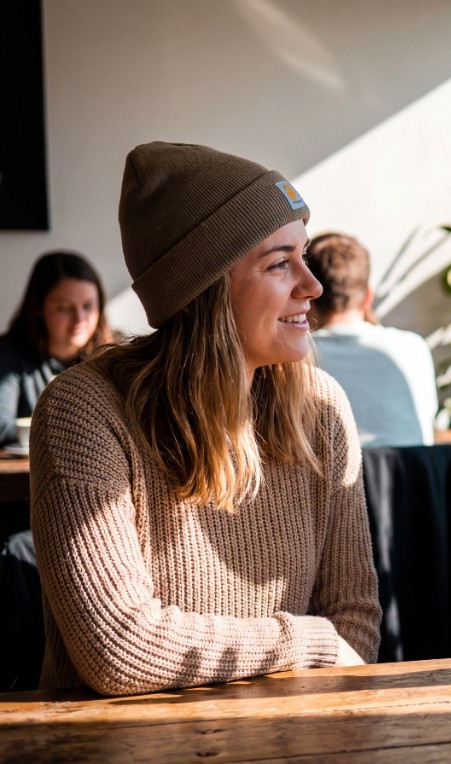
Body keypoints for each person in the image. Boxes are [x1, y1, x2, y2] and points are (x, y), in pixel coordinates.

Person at [30, 142, 382, 696]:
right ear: (203, 291)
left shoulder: (321, 407)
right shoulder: (84, 411)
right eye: (279, 263)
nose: (312, 286)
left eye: (305, 255)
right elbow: (119, 646)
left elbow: (356, 628)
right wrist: (305, 644)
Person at [306, 232, 438, 448]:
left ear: (308, 298)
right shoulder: (414, 347)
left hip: (339, 479)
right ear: (369, 296)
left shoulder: (297, 360)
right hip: (415, 479)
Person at [0, 251, 112, 446]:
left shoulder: (112, 355)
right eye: (64, 308)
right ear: (38, 308)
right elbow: (2, 427)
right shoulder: (7, 353)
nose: (80, 319)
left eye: (88, 306)